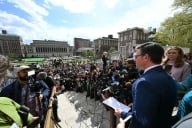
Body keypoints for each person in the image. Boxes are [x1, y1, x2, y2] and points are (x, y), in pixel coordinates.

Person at [114, 42, 177, 128]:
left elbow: (141, 121)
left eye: (136, 56)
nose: (134, 60)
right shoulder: (169, 77)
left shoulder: (144, 83)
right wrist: (137, 103)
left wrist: (122, 115)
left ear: (146, 57)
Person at [0, 55, 38, 127]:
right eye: (24, 72)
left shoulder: (33, 83)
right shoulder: (7, 90)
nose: (27, 73)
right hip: (21, 122)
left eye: (28, 72)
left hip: (34, 117)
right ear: (18, 74)